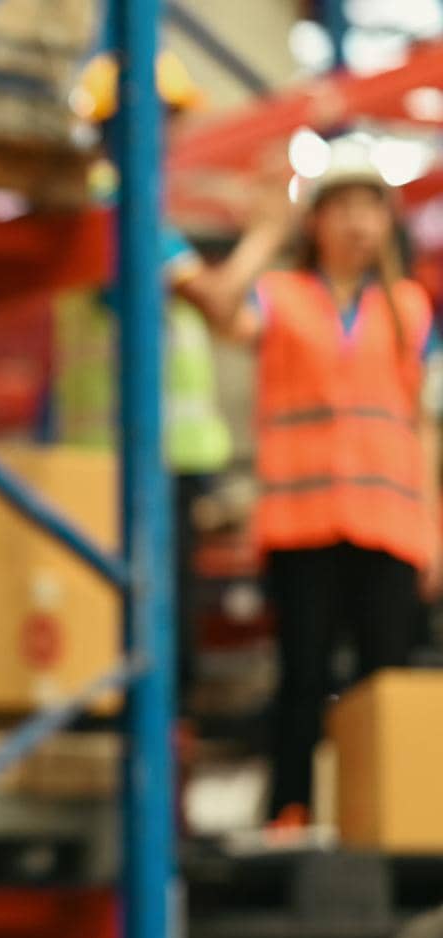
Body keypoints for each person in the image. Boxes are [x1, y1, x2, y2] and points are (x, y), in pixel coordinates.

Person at [195, 137, 443, 827]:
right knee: (303, 678)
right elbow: (219, 306)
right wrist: (261, 235)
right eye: (344, 208)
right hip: (303, 524)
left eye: (371, 208)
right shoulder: (281, 296)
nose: (359, 223)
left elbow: (422, 423)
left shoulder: (408, 307)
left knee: (384, 682)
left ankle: (392, 815)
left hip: (389, 523)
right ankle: (291, 812)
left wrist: (434, 527)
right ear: (319, 222)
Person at [57, 49, 233, 691]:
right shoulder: (116, 207)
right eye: (167, 118)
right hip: (132, 453)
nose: (174, 134)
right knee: (149, 634)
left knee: (155, 624)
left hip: (154, 451)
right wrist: (270, 236)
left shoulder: (131, 207)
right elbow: (214, 304)